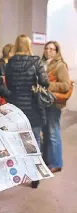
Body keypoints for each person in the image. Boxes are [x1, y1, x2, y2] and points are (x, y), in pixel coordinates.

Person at [5, 35, 49, 188]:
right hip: (33, 106)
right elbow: (45, 82)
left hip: (16, 106)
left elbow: (9, 85)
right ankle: (35, 175)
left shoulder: (10, 62)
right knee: (34, 141)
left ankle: (20, 171)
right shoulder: (36, 61)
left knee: (19, 140)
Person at [41, 41, 71, 173]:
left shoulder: (60, 65)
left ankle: (56, 163)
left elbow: (65, 85)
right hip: (44, 102)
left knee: (53, 132)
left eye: (52, 49)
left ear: (57, 51)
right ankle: (48, 161)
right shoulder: (42, 63)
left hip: (54, 103)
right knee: (46, 133)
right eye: (47, 48)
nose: (48, 51)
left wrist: (47, 84)